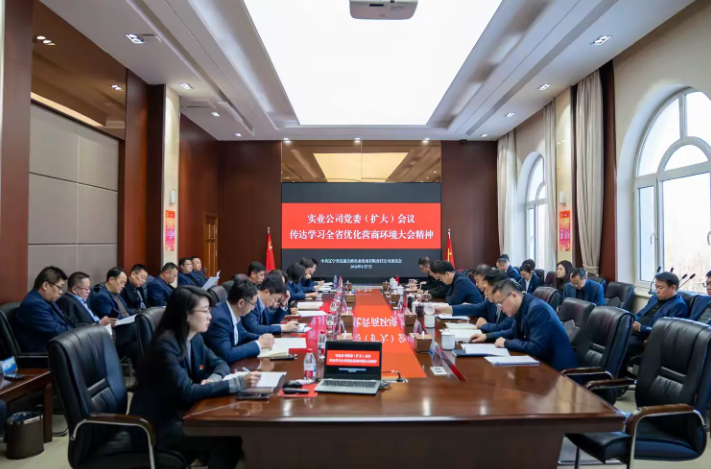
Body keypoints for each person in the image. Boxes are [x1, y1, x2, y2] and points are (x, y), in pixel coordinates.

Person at [130, 286, 259, 469]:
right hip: (157, 424)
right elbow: (187, 391)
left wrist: (214, 379)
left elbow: (220, 363)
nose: (210, 317)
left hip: (183, 411)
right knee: (228, 438)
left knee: (229, 428)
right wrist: (236, 383)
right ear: (186, 315)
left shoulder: (194, 337)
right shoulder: (166, 346)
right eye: (205, 311)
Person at [472, 280, 577, 371]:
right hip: (540, 365)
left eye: (500, 303)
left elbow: (536, 347)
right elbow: (512, 332)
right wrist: (487, 336)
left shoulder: (538, 309)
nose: (500, 308)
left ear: (514, 295)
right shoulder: (521, 307)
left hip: (559, 372)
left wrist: (506, 343)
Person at [61, 271, 141, 369]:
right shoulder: (68, 301)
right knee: (138, 328)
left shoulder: (82, 300)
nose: (89, 292)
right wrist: (99, 323)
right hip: (96, 338)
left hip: (104, 333)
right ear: (74, 289)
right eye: (86, 289)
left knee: (137, 346)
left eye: (89, 288)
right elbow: (74, 326)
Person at [203, 279, 275, 363]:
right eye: (253, 304)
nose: (254, 308)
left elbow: (242, 334)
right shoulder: (220, 319)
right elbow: (227, 354)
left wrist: (261, 338)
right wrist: (259, 344)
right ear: (241, 303)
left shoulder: (232, 311)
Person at [628, 272, 688, 358]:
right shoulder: (654, 298)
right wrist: (631, 320)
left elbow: (667, 331)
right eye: (656, 287)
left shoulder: (679, 306)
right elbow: (641, 313)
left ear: (673, 288)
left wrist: (641, 328)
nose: (657, 291)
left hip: (645, 337)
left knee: (620, 343)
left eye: (661, 288)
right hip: (633, 331)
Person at [13, 267, 72, 353]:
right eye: (59, 287)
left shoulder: (46, 300)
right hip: (45, 355)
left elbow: (65, 323)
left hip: (58, 349)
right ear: (45, 285)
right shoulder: (34, 305)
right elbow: (57, 332)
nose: (60, 292)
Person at [435, 268, 508, 326]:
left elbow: (504, 329)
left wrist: (485, 325)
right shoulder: (489, 301)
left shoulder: (509, 305)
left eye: (487, 289)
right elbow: (476, 308)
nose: (485, 293)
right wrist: (443, 309)